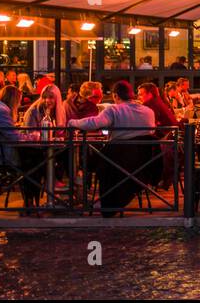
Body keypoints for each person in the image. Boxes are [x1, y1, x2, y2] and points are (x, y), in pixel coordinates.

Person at [68, 80, 159, 216]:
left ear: (116, 96)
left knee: (89, 162)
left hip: (117, 162)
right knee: (101, 160)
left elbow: (95, 123)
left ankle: (96, 198)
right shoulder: (149, 112)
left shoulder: (114, 110)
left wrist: (72, 122)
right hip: (142, 164)